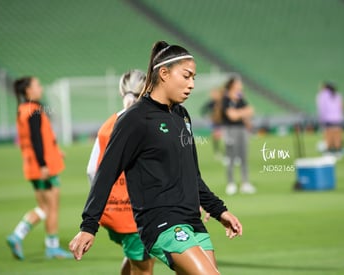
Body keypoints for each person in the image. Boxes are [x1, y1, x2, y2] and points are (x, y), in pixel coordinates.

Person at [69, 41, 242, 274]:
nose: (192, 85)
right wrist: (89, 226)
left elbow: (192, 175)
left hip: (192, 221)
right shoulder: (135, 119)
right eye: (186, 76)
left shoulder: (182, 115)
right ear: (164, 73)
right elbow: (105, 173)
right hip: (162, 223)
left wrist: (219, 210)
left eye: (194, 78)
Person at [86, 70, 155, 275]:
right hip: (137, 215)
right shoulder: (147, 123)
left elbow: (91, 170)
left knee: (134, 258)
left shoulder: (108, 124)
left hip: (110, 213)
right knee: (144, 269)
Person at [7, 76, 72, 260]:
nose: (40, 88)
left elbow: (34, 139)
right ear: (28, 91)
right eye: (37, 85)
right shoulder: (34, 110)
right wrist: (44, 164)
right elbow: (36, 139)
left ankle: (17, 235)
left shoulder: (23, 109)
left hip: (31, 166)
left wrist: (55, 151)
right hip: (43, 167)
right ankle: (52, 248)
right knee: (51, 207)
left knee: (43, 207)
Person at [221, 75, 255, 195]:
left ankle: (245, 183)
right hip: (230, 130)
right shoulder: (226, 99)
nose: (240, 85)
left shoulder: (240, 98)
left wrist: (239, 113)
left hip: (242, 130)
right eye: (238, 83)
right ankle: (231, 183)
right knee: (231, 157)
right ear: (232, 84)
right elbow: (231, 116)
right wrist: (242, 113)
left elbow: (251, 110)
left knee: (244, 157)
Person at [316, 82, 344, 158]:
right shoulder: (338, 95)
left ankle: (329, 152)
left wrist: (321, 119)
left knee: (328, 136)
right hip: (338, 118)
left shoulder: (322, 95)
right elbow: (342, 107)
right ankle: (338, 152)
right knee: (337, 135)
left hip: (328, 118)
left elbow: (322, 108)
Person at [201, 87, 224, 159]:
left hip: (224, 123)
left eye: (215, 93)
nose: (214, 95)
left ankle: (224, 152)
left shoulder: (222, 102)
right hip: (215, 123)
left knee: (224, 138)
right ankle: (217, 152)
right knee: (216, 137)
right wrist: (208, 117)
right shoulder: (211, 103)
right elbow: (203, 110)